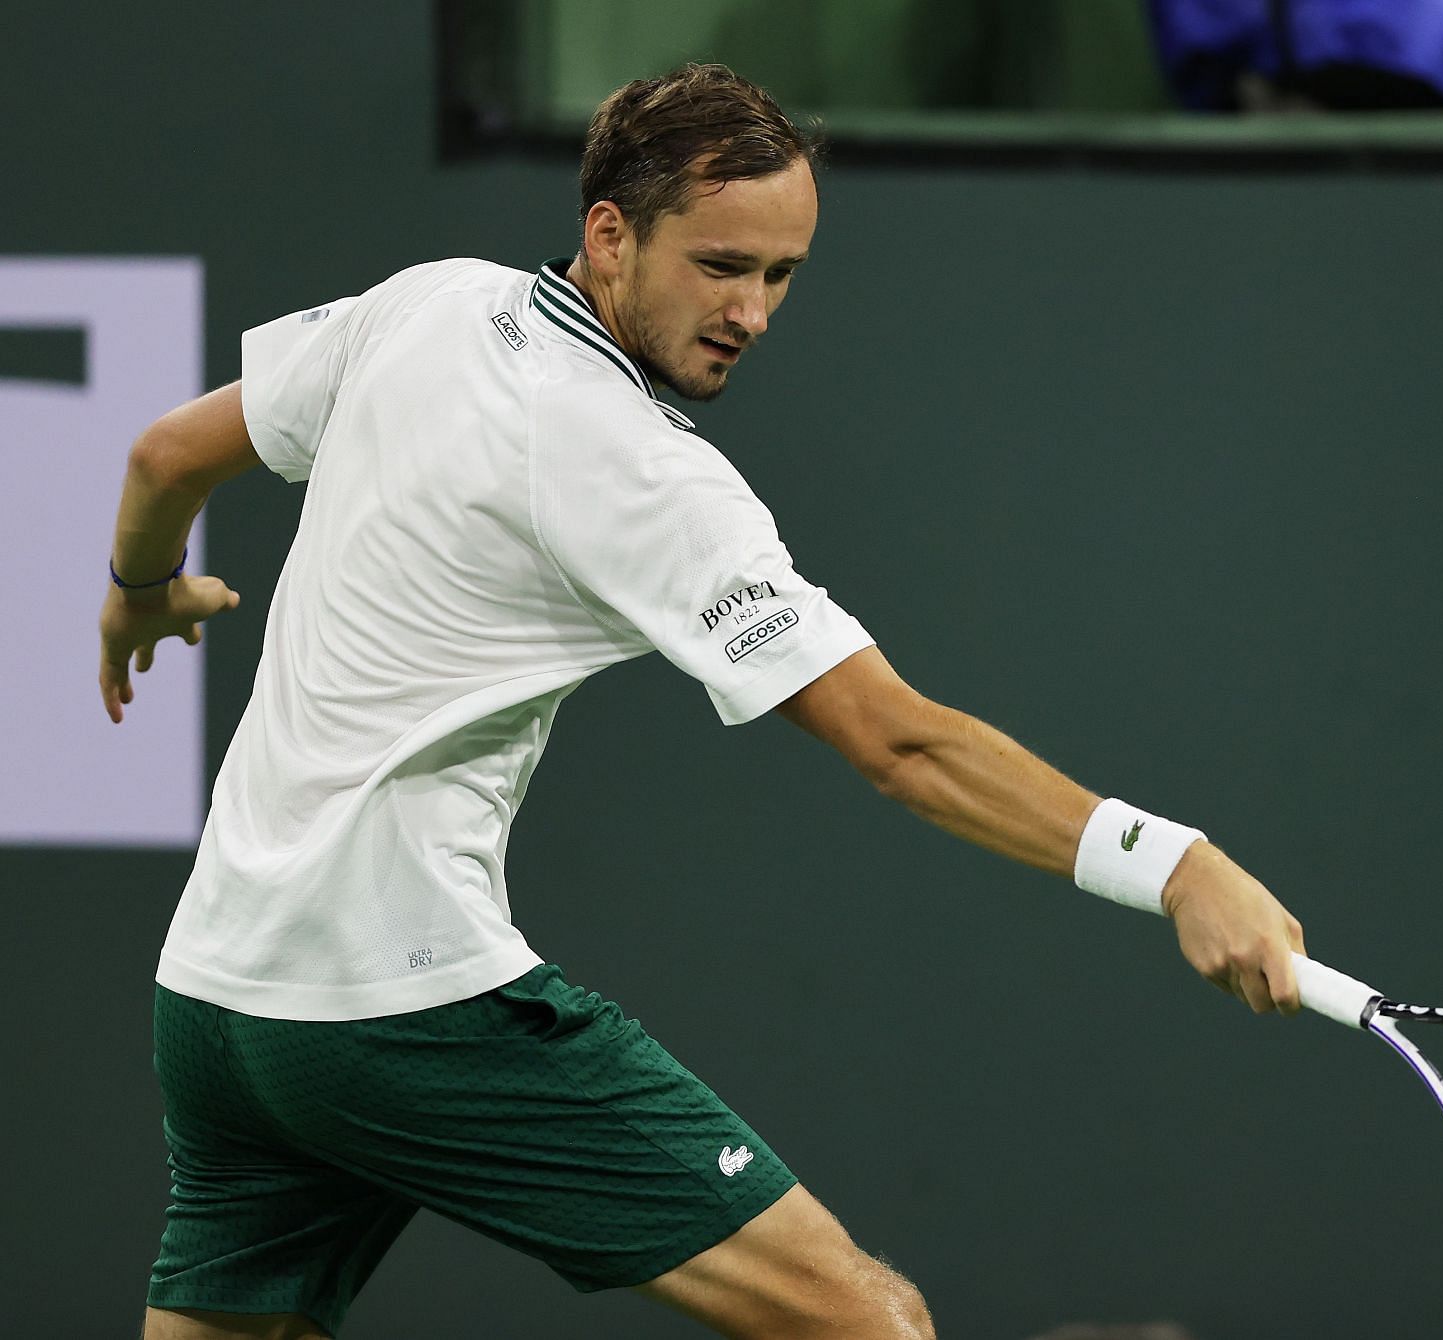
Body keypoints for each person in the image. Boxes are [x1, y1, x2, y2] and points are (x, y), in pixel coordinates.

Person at [101, 64, 1306, 1340]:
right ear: (610, 233)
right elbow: (899, 743)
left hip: (220, 1000)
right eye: (723, 264)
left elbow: (164, 455)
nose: (753, 312)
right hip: (393, 1001)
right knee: (863, 1321)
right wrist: (1175, 865)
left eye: (782, 275)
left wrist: (135, 592)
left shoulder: (430, 303)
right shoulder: (640, 468)